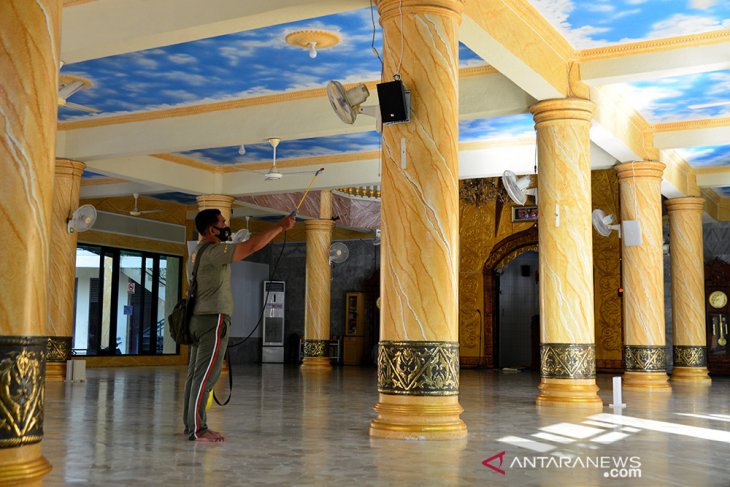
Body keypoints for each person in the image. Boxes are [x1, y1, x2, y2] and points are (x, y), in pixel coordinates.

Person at [183, 209, 295, 442]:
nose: (226, 225)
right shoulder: (214, 251)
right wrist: (280, 227)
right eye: (223, 222)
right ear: (212, 229)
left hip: (197, 319)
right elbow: (251, 247)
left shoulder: (197, 253)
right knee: (205, 376)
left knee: (195, 375)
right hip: (212, 320)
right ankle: (198, 429)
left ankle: (191, 425)